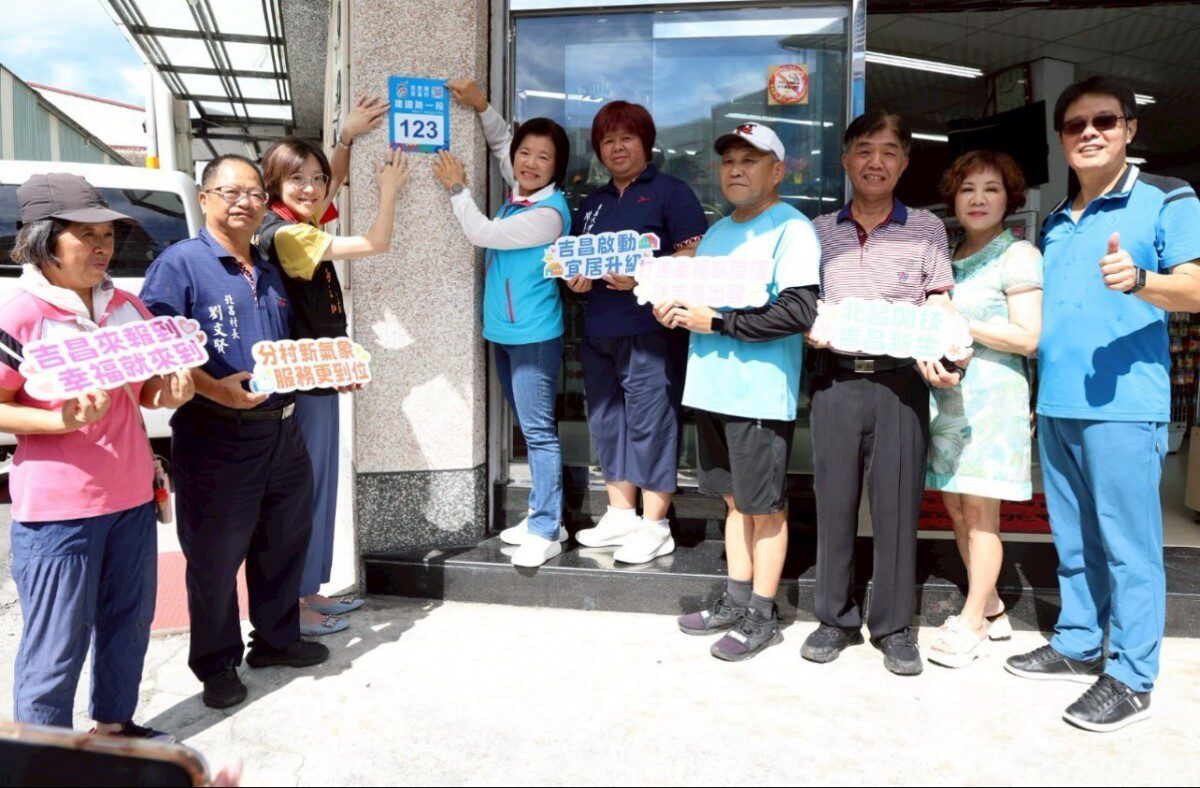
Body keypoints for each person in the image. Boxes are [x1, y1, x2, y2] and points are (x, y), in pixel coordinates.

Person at [1004, 76, 1200, 732]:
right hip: (1057, 402)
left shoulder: (1168, 197)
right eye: (1075, 124)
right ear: (1061, 138)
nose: (1089, 132)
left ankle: (1133, 677)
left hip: (1125, 405)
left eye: (1105, 121)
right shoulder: (1057, 221)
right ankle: (1079, 643)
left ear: (1129, 129)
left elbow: (1197, 288)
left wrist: (1142, 280)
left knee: (1129, 546)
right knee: (1074, 538)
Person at [1, 173, 195, 740]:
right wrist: (57, 420)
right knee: (55, 648)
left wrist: (170, 392)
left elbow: (147, 391)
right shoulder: (21, 316)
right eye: (85, 234)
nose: (102, 246)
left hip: (132, 498)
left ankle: (114, 728)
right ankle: (45, 760)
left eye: (107, 234)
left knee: (128, 625)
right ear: (43, 240)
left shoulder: (129, 307)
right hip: (58, 513)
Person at [140, 155, 329, 710]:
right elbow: (158, 349)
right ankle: (217, 663)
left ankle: (275, 640)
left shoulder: (268, 266)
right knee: (215, 558)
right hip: (216, 435)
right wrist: (215, 389)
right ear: (204, 199)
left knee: (283, 542)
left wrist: (327, 371)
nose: (245, 202)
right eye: (231, 192)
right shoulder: (180, 265)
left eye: (254, 193)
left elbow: (290, 347)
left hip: (283, 432)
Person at [800, 111, 963, 677]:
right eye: (865, 150)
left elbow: (938, 298)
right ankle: (834, 618)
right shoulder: (818, 231)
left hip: (900, 383)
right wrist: (809, 326)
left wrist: (946, 346)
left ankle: (894, 627)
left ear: (905, 162)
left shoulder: (927, 228)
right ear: (846, 160)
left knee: (896, 506)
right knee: (834, 502)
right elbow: (804, 302)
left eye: (889, 151)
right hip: (836, 380)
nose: (876, 162)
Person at [656, 123, 821, 661]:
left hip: (758, 395)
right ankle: (735, 599)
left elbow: (798, 311)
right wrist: (674, 308)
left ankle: (762, 615)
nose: (735, 169)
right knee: (733, 503)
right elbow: (702, 305)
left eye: (750, 160)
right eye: (728, 161)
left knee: (765, 509)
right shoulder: (718, 233)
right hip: (711, 389)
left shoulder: (792, 229)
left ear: (778, 171)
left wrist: (717, 323)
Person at [257, 97, 410, 636]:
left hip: (315, 375)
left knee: (316, 487)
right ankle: (295, 606)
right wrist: (390, 190)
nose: (312, 188)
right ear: (273, 184)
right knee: (304, 491)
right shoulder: (288, 234)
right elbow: (375, 242)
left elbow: (332, 186)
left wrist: (344, 140)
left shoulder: (293, 222)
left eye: (315, 178)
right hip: (302, 382)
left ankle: (308, 592)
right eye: (297, 179)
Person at [431, 79, 572, 568]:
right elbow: (500, 143)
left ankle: (546, 529)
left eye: (543, 157)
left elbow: (483, 232)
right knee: (529, 429)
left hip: (534, 337)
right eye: (525, 154)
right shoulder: (523, 191)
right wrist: (480, 104)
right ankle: (545, 515)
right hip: (506, 333)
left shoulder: (548, 214)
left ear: (557, 167)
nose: (529, 163)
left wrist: (456, 187)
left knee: (538, 433)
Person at [569, 100, 709, 564]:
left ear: (645, 143)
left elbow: (694, 255)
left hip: (652, 329)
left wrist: (644, 273)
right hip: (599, 329)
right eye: (607, 141)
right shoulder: (593, 203)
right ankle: (621, 514)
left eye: (626, 138)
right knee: (607, 421)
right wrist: (576, 278)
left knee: (652, 422)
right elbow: (577, 257)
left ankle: (656, 525)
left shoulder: (671, 192)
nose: (617, 148)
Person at [923, 151, 1043, 668]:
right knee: (954, 506)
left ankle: (971, 622)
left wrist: (957, 320)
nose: (978, 199)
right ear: (953, 198)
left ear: (1008, 199)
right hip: (949, 398)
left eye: (991, 189)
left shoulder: (1018, 255)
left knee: (980, 514)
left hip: (993, 402)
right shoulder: (947, 255)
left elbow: (1028, 338)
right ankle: (990, 603)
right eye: (967, 188)